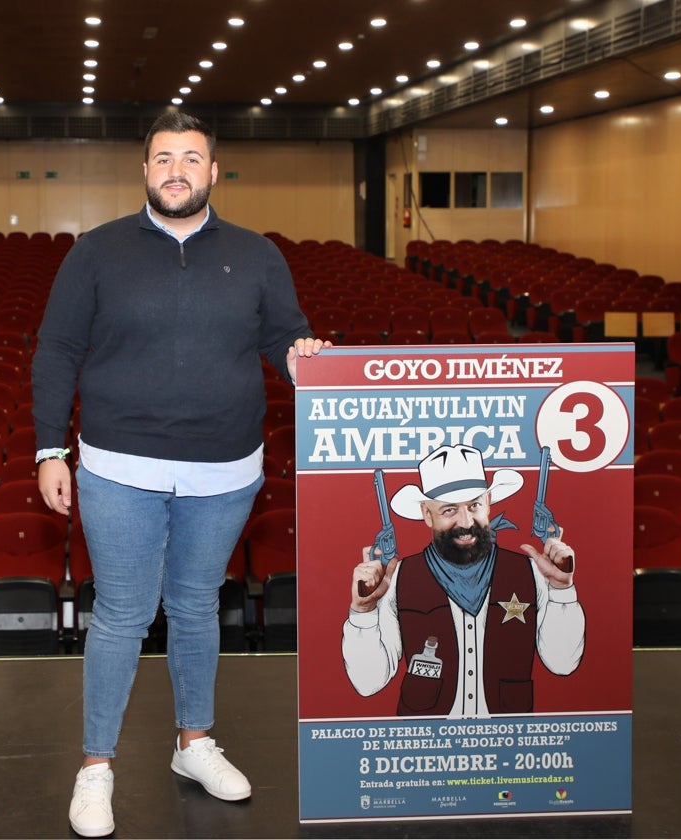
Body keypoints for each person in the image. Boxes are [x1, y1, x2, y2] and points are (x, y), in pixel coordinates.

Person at [30, 110, 328, 838]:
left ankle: (194, 745)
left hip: (225, 471)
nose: (176, 170)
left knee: (197, 608)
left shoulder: (258, 255)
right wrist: (48, 449)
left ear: (214, 172)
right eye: (163, 157)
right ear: (145, 170)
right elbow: (57, 349)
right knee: (124, 616)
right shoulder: (95, 252)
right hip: (119, 465)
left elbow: (285, 335)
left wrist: (304, 357)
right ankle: (95, 768)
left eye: (191, 158)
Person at [342, 443, 585, 718]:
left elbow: (563, 663)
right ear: (426, 514)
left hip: (509, 745)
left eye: (474, 505)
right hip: (425, 747)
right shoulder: (396, 579)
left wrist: (562, 590)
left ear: (489, 505)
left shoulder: (531, 572)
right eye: (449, 510)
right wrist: (363, 612)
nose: (466, 521)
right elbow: (367, 683)